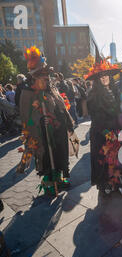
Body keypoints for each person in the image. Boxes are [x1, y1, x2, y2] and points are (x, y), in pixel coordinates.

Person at [17, 46, 78, 196]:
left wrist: (67, 121)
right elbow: (26, 116)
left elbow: (61, 106)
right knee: (46, 156)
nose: (46, 78)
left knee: (59, 154)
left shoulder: (52, 88)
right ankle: (49, 183)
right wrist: (40, 120)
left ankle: (59, 179)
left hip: (58, 129)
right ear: (34, 76)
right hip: (42, 132)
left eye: (47, 75)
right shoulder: (28, 92)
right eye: (42, 75)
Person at [85, 51, 122, 197]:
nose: (105, 79)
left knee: (114, 159)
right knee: (102, 159)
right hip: (101, 133)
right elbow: (96, 118)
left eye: (106, 76)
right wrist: (107, 133)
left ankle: (113, 182)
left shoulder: (114, 90)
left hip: (114, 131)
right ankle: (104, 185)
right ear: (97, 79)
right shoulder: (93, 94)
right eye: (101, 77)